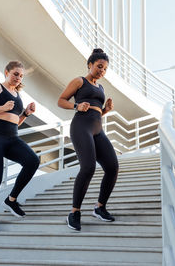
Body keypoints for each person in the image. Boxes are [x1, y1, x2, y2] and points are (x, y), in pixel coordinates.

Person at [58, 48, 119, 231]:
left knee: (112, 166)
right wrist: (76, 105)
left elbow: (96, 111)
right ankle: (74, 212)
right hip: (81, 126)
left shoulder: (101, 88)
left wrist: (106, 109)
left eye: (105, 68)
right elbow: (61, 100)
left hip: (97, 129)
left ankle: (100, 208)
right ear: (90, 64)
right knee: (88, 167)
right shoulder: (79, 81)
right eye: (99, 66)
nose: (102, 71)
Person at [0, 61, 40, 231]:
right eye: (15, 74)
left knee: (33, 161)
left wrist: (26, 113)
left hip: (12, 137)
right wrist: (1, 107)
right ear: (6, 72)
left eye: (21, 75)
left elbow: (14, 122)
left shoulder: (17, 95)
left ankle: (11, 200)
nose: (18, 78)